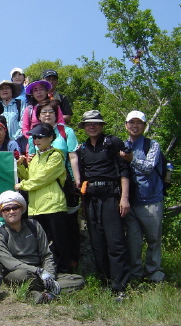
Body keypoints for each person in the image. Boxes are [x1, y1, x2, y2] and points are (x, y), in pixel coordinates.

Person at [0, 191, 84, 304]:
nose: (11, 211)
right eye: (6, 209)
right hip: (21, 273)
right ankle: (50, 291)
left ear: (21, 209)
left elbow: (46, 254)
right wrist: (38, 271)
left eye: (15, 207)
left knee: (78, 280)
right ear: (1, 213)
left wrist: (49, 275)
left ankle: (42, 294)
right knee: (21, 275)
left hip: (41, 271)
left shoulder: (34, 226)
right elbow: (10, 263)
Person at [76, 110, 130, 298]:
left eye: (96, 123)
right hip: (91, 199)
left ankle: (120, 286)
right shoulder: (82, 148)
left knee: (116, 242)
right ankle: (105, 282)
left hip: (111, 197)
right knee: (97, 243)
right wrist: (83, 205)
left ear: (101, 125)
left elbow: (124, 170)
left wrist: (124, 198)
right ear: (84, 127)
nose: (92, 126)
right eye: (88, 124)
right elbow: (82, 178)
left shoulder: (113, 142)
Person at [28, 100, 81, 268]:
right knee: (43, 236)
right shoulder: (37, 152)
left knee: (63, 232)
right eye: (43, 112)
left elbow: (72, 156)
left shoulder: (63, 139)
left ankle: (67, 266)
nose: (36, 140)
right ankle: (50, 268)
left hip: (57, 190)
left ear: (51, 138)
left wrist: (77, 179)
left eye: (51, 111)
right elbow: (32, 168)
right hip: (38, 199)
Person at [15, 123, 70, 273]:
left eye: (40, 137)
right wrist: (21, 167)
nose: (36, 140)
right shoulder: (35, 157)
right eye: (34, 137)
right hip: (36, 207)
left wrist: (23, 185)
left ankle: (65, 272)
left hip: (53, 205)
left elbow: (43, 178)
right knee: (41, 243)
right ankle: (47, 272)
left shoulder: (56, 156)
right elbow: (29, 176)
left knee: (60, 242)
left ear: (51, 138)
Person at [121, 111, 165, 282]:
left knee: (154, 239)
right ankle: (135, 275)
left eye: (139, 122)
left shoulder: (152, 145)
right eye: (131, 122)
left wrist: (131, 159)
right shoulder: (122, 145)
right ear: (126, 125)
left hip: (151, 200)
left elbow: (148, 167)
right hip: (131, 202)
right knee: (133, 242)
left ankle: (154, 273)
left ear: (145, 126)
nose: (135, 125)